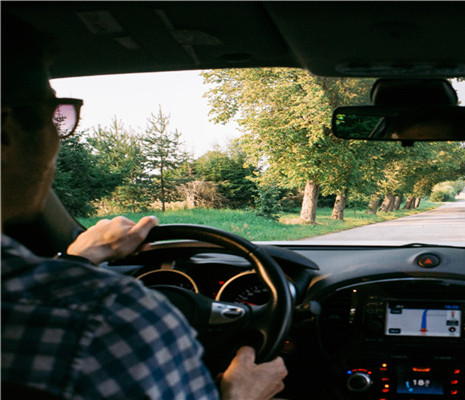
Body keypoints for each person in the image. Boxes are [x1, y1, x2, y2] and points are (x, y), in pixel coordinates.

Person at [1, 15, 288, 399]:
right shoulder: (109, 320)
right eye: (55, 114)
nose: (59, 135)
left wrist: (79, 260)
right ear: (5, 129)